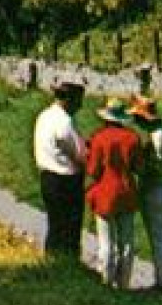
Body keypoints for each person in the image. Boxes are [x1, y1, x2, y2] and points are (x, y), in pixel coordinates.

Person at [85, 97, 144, 289]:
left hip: (105, 192)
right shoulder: (133, 138)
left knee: (106, 242)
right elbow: (139, 167)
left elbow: (93, 170)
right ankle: (124, 282)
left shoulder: (99, 138)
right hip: (126, 190)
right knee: (126, 242)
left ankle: (107, 281)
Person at [33, 80, 87, 258]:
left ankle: (52, 261)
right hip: (66, 180)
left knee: (55, 225)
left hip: (47, 176)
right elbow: (80, 155)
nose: (80, 106)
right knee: (69, 229)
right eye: (78, 101)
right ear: (69, 99)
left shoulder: (44, 116)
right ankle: (68, 264)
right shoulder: (64, 122)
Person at [132, 95, 162, 288]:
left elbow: (155, 165)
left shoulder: (156, 137)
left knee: (158, 236)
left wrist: (138, 166)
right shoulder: (158, 132)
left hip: (154, 188)